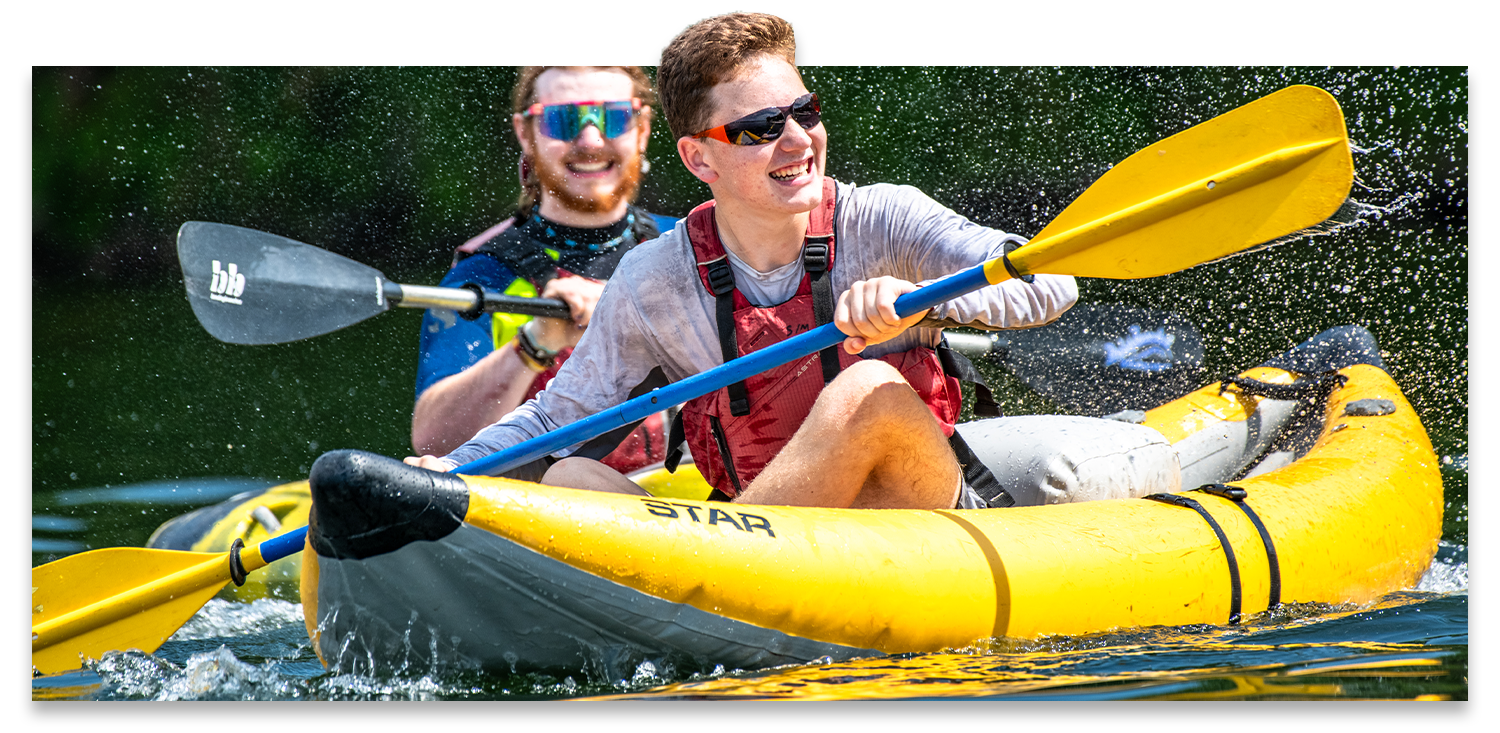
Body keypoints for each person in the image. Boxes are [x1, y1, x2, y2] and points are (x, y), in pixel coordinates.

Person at [410, 15, 1171, 509]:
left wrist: (925, 298)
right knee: (567, 473)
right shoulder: (655, 280)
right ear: (698, 156)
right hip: (760, 543)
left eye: (805, 112)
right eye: (762, 127)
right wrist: (440, 476)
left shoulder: (887, 216)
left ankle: (715, 577)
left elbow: (1051, 283)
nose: (800, 139)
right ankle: (720, 571)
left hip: (914, 513)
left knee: (868, 384)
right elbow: (554, 417)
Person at [412, 66, 676, 477]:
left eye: (615, 117)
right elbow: (435, 443)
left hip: (683, 501)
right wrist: (536, 343)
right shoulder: (484, 276)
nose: (590, 140)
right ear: (526, 132)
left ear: (641, 128)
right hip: (541, 507)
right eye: (562, 120)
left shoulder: (691, 246)